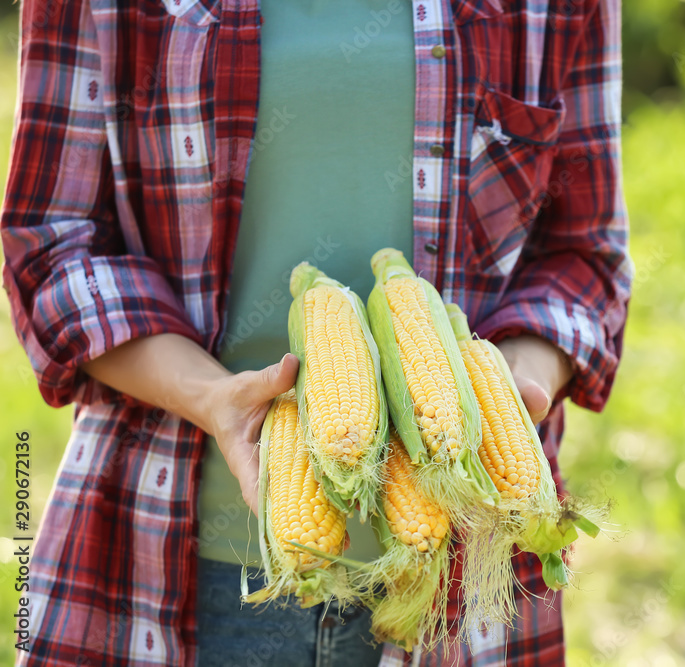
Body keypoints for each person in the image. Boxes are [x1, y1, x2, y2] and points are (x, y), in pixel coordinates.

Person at [0, 0, 631, 663]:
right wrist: (211, 396)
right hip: (177, 559)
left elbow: (585, 253)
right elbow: (53, 245)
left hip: (462, 577)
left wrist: (515, 378)